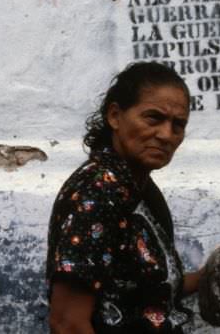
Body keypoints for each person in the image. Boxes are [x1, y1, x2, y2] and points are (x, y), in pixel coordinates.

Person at [46, 62, 205, 333]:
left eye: (178, 125)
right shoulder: (97, 191)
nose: (166, 135)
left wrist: (213, 271)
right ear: (115, 116)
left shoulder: (138, 189)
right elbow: (67, 323)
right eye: (153, 118)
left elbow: (151, 292)